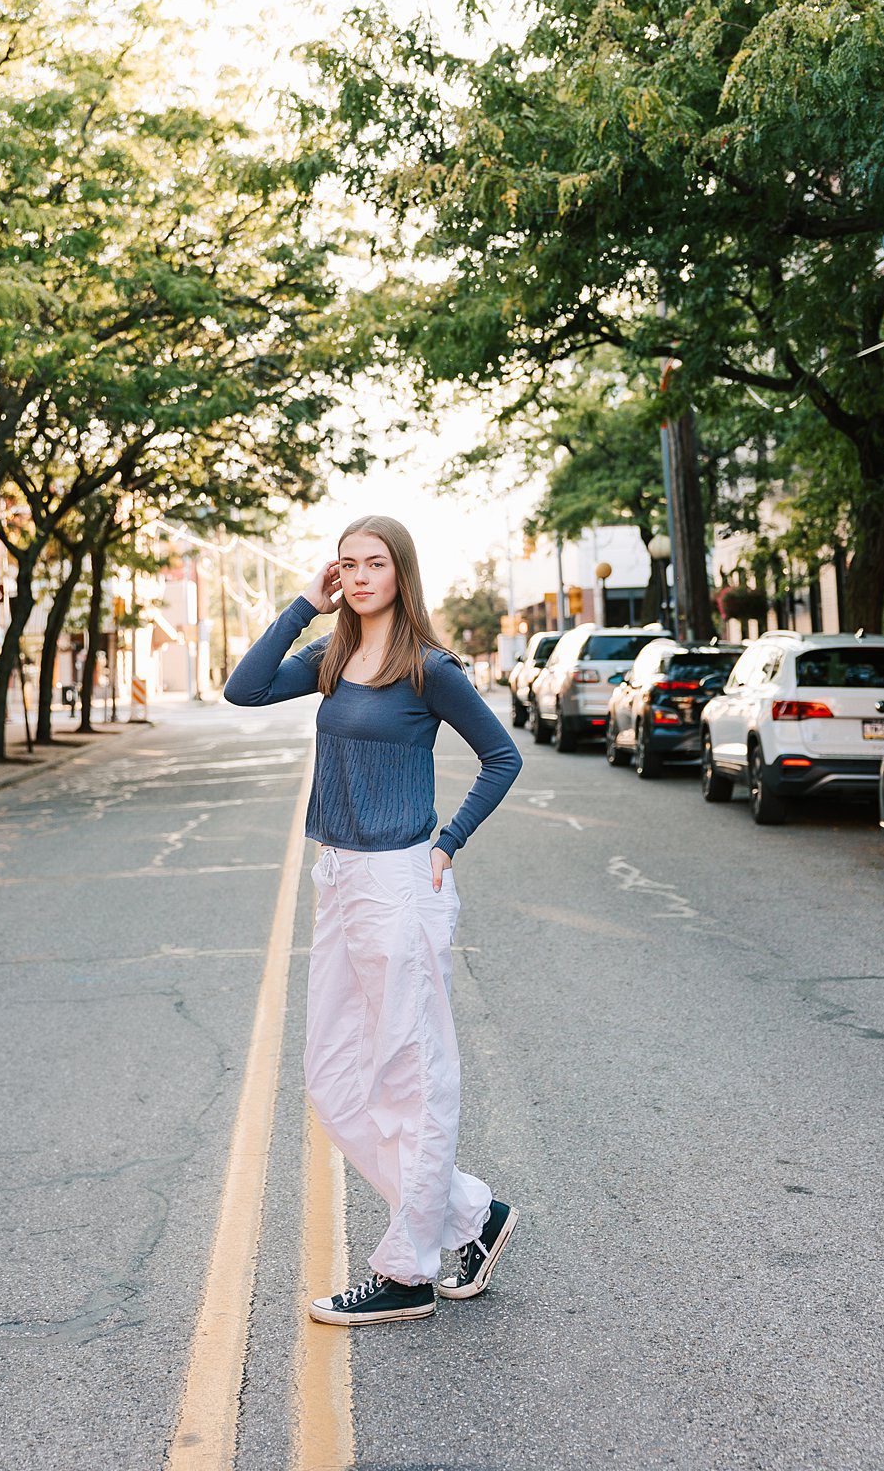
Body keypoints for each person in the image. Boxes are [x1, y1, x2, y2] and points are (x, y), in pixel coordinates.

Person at [223, 513, 523, 1326]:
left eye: (373, 564)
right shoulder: (328, 658)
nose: (357, 577)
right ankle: (469, 1217)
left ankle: (406, 1272)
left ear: (401, 574)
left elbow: (503, 757)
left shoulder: (428, 669)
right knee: (332, 1076)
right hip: (339, 878)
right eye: (345, 565)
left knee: (410, 1078)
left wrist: (448, 843)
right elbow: (242, 689)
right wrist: (300, 606)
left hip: (398, 884)